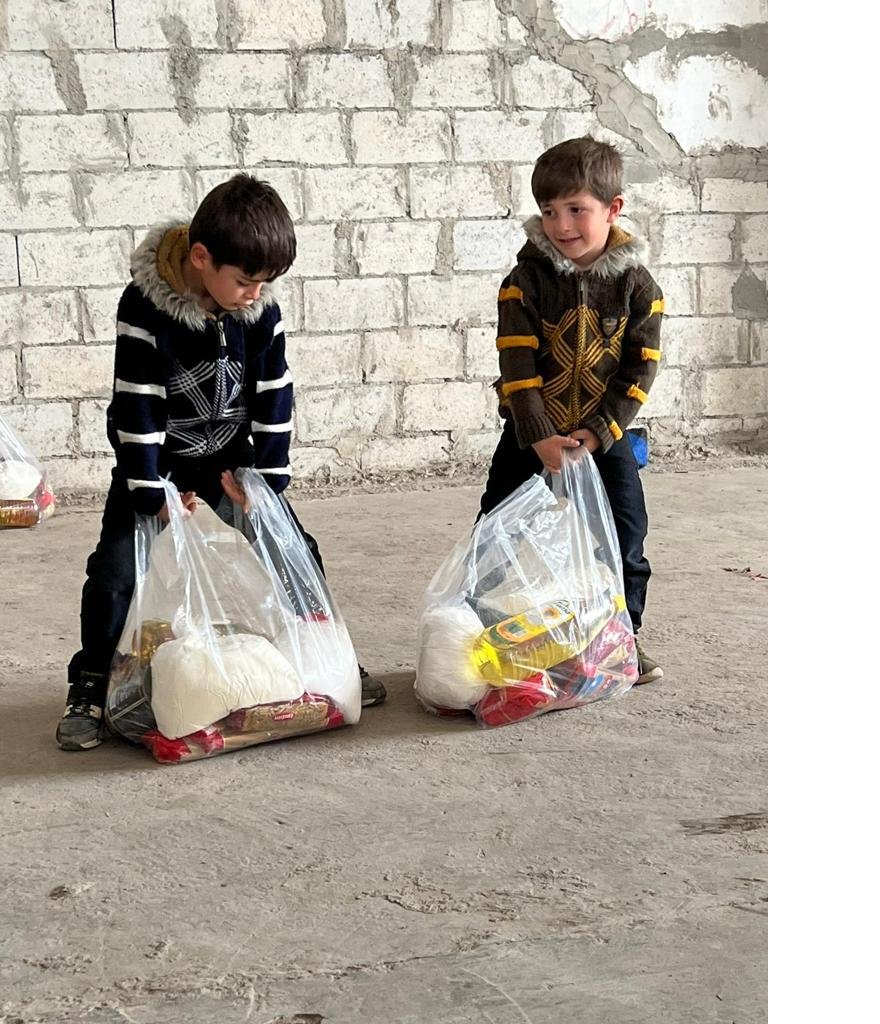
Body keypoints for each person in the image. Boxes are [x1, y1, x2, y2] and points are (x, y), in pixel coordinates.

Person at [57, 174, 385, 751]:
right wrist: (151, 494)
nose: (254, 294)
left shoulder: (258, 309)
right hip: (157, 463)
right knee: (115, 573)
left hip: (232, 463)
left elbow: (274, 392)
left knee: (295, 551)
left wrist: (267, 483)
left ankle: (324, 657)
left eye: (266, 282)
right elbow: (137, 403)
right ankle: (89, 687)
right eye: (244, 281)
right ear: (201, 258)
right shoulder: (144, 308)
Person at [479, 136, 665, 684]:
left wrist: (599, 432)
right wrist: (537, 435)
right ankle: (484, 627)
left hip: (600, 439)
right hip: (530, 436)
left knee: (625, 538)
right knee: (497, 531)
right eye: (549, 211)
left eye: (577, 210)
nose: (562, 225)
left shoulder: (638, 287)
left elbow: (640, 367)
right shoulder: (524, 283)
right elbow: (517, 366)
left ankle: (621, 641)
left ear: (613, 209)